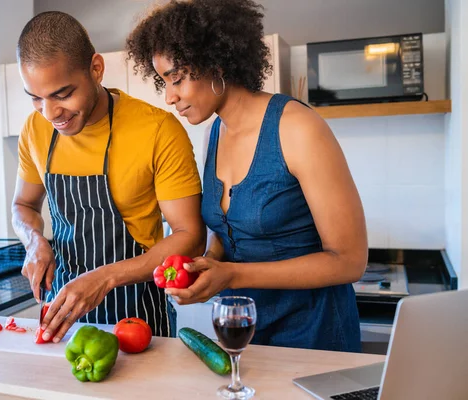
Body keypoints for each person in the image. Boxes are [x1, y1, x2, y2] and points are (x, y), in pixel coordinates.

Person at [126, 0, 367, 352]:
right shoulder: (215, 133)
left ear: (217, 62)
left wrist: (235, 275)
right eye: (164, 81)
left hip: (314, 337)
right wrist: (206, 266)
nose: (169, 96)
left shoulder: (297, 128)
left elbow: (349, 261)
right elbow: (227, 235)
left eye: (176, 79)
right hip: (244, 335)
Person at [12, 11, 205, 342]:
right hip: (64, 317)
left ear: (96, 69)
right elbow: (23, 204)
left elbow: (191, 236)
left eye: (62, 94)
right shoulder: (35, 129)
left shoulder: (157, 130)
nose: (50, 113)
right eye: (35, 98)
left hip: (139, 318)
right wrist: (34, 242)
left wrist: (104, 278)